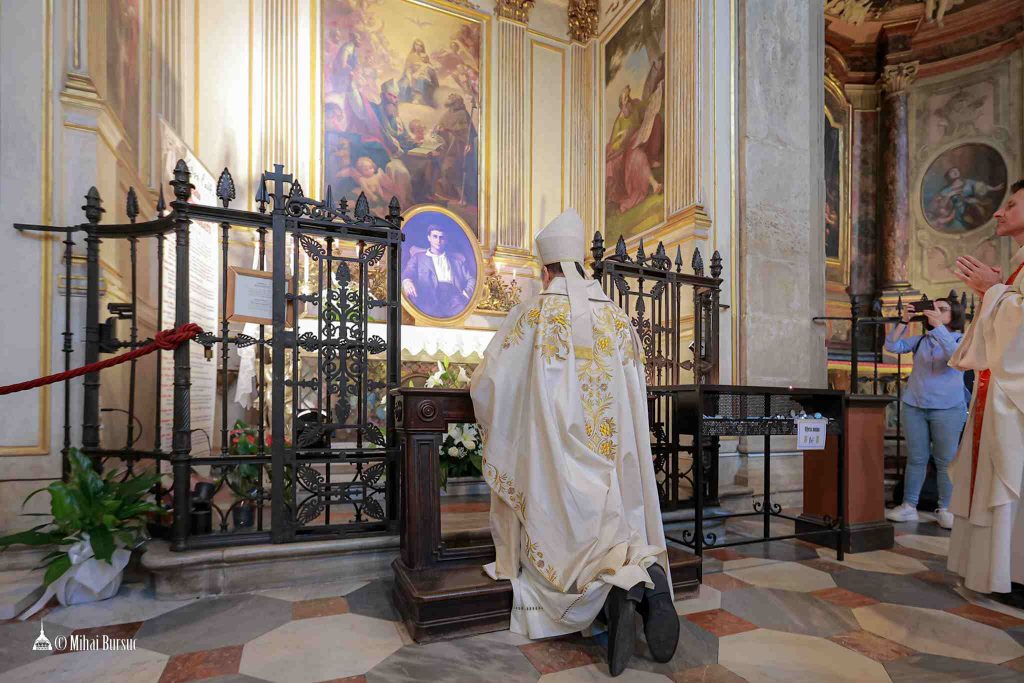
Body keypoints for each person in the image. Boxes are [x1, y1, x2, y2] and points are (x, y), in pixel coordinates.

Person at [469, 209, 677, 676]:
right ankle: (640, 575)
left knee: (556, 552)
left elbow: (491, 384)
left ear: (546, 270)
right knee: (619, 527)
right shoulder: (619, 321)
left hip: (559, 470)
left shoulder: (536, 314)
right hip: (612, 468)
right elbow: (633, 400)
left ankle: (616, 589)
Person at [946, 179, 1024, 603]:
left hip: (1015, 400)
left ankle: (1012, 574)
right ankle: (997, 573)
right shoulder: (1017, 266)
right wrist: (996, 291)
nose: (998, 212)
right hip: (999, 395)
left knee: (1011, 481)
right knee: (993, 478)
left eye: (1010, 204)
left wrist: (993, 291)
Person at [884, 297, 967, 529]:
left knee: (945, 460)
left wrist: (939, 327)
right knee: (916, 458)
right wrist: (904, 320)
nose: (937, 312)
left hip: (948, 408)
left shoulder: (962, 339)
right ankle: (909, 506)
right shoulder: (921, 340)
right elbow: (891, 346)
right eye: (934, 308)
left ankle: (946, 508)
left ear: (955, 314)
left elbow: (956, 358)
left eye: (943, 309)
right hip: (915, 406)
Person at [401, 225, 475, 319]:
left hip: (454, 300)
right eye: (435, 236)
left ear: (446, 240)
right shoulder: (418, 257)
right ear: (429, 238)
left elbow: (472, 279)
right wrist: (407, 281)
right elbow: (408, 272)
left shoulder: (457, 260)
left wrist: (465, 294)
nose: (438, 241)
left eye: (441, 237)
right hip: (428, 298)